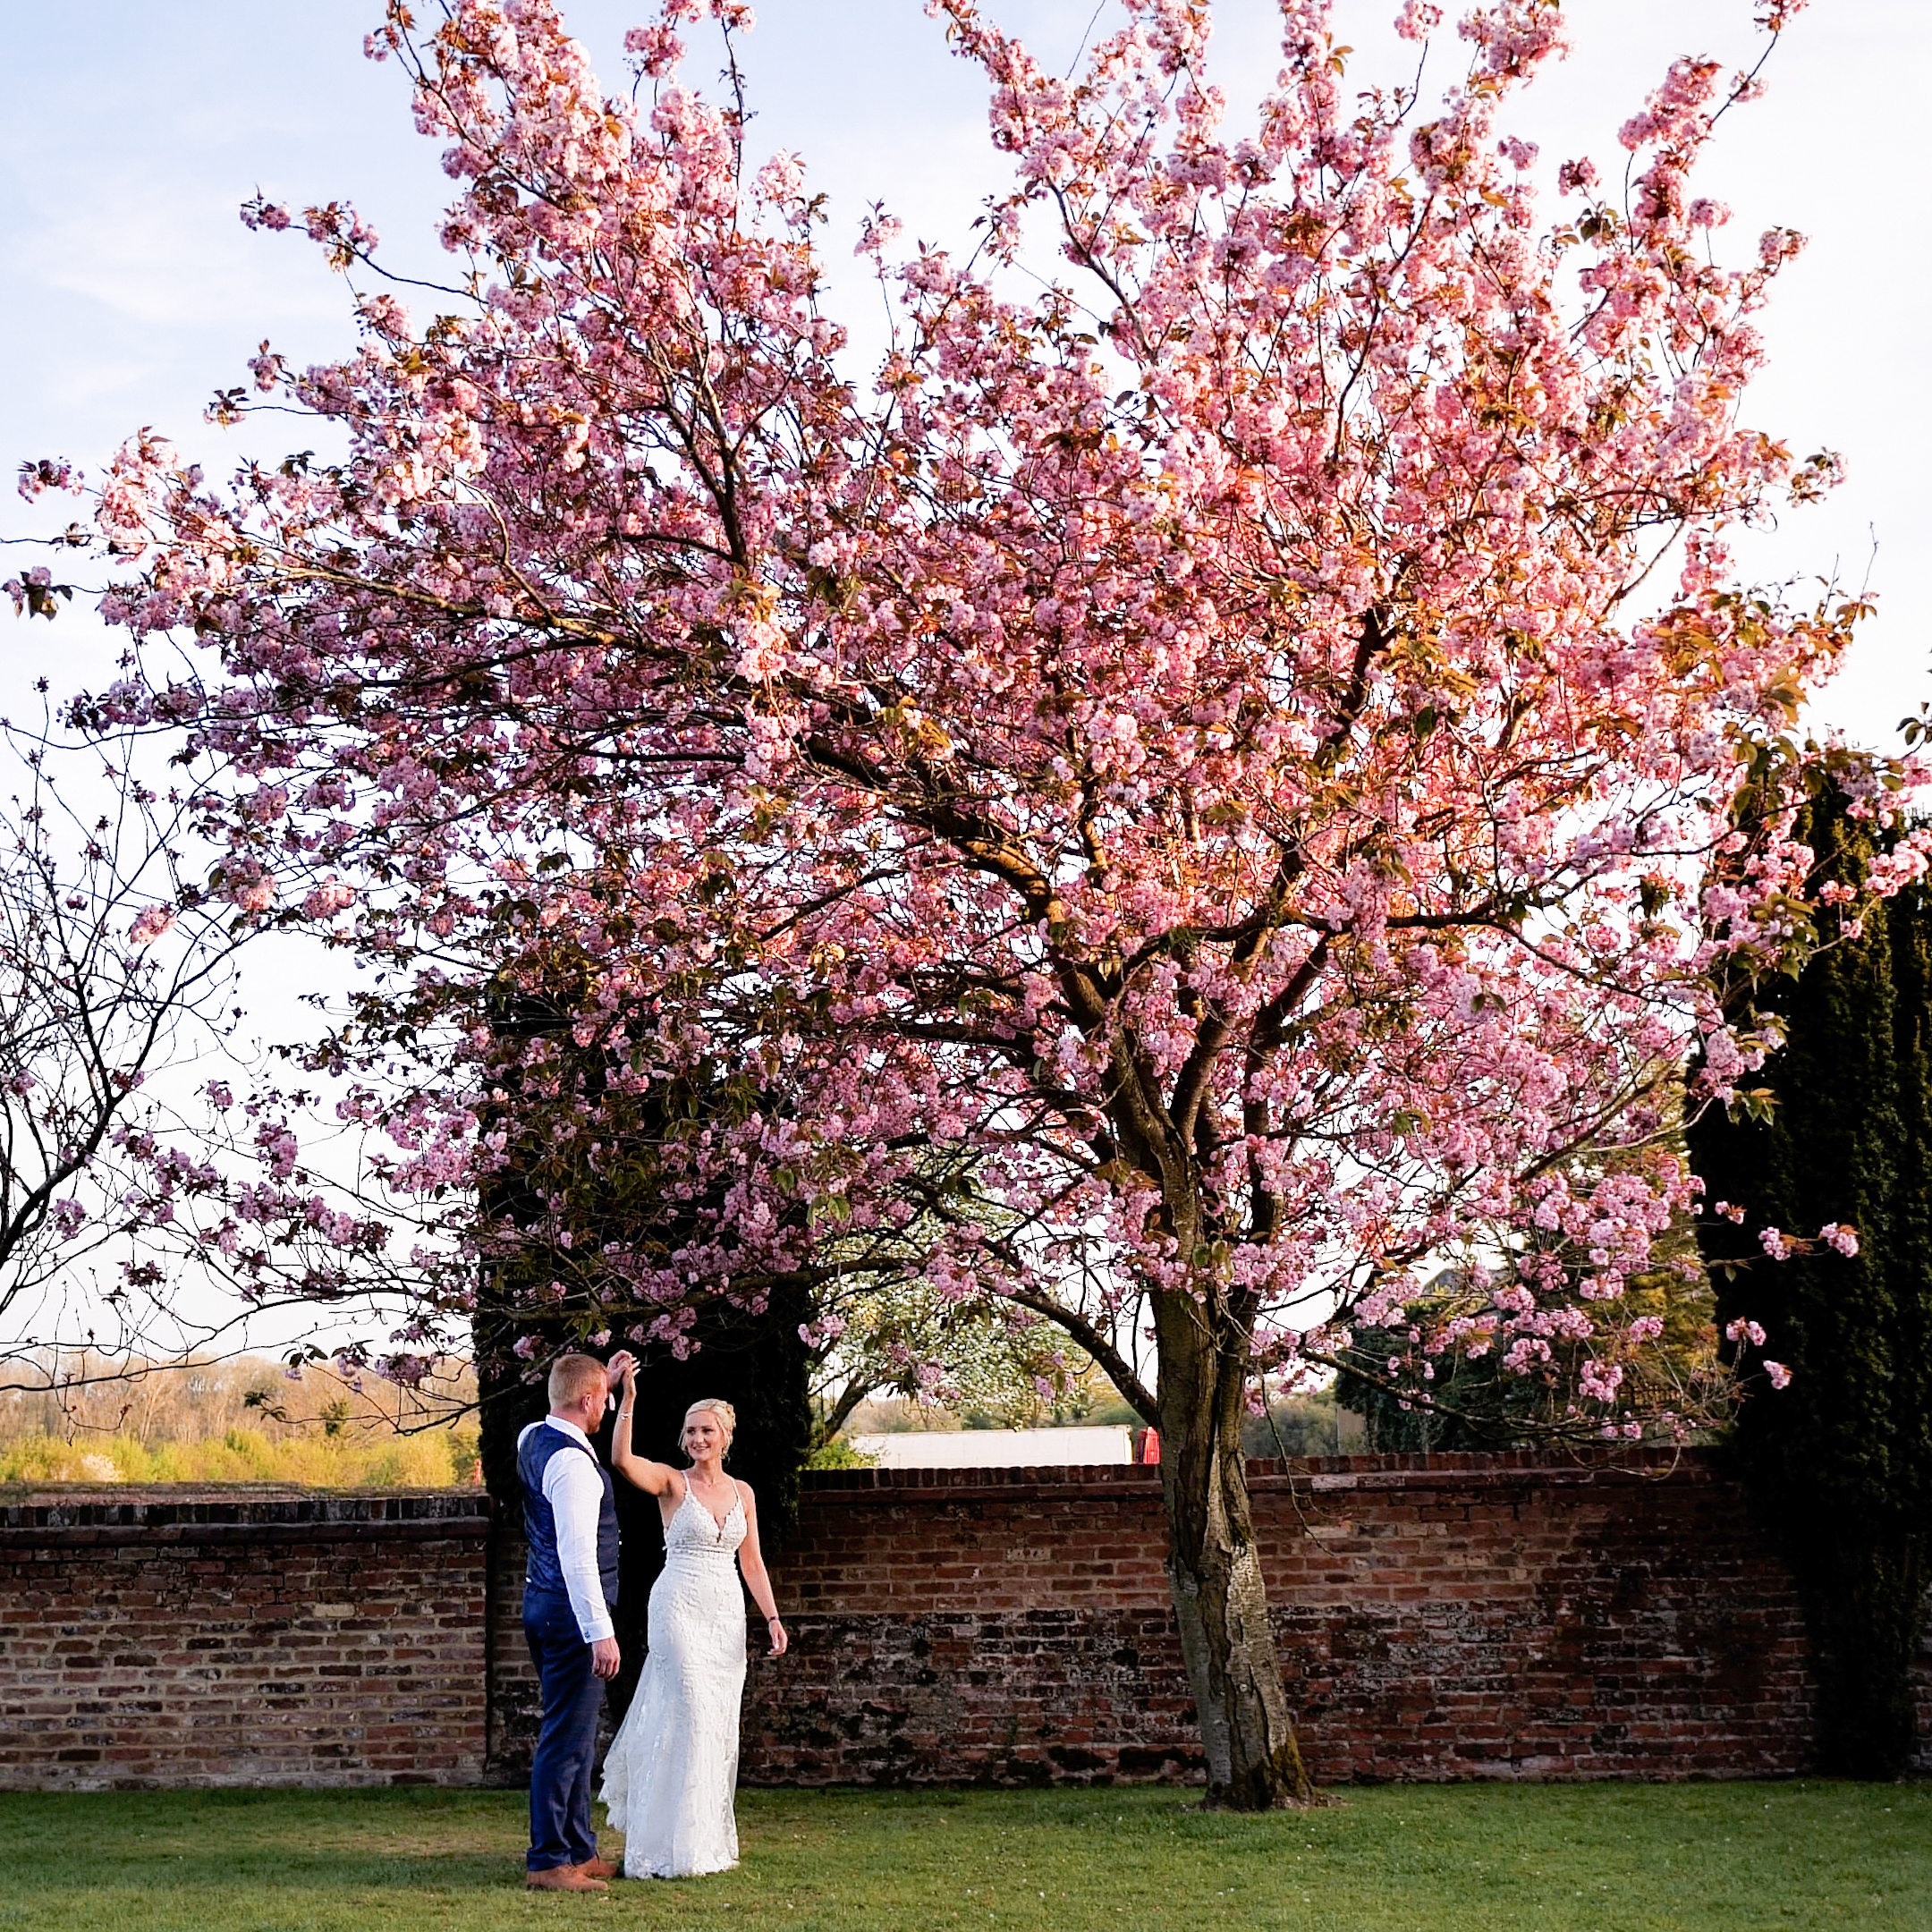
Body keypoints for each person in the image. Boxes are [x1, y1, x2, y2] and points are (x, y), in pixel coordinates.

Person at [599, 1371, 788, 1878]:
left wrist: (771, 1617)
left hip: (725, 1614)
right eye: (691, 1431)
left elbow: (752, 1562)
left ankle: (700, 1843)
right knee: (689, 1713)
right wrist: (629, 1400)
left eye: (707, 1430)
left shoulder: (743, 1492)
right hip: (677, 1607)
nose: (698, 1438)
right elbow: (622, 1461)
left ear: (726, 1436)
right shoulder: (671, 1482)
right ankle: (658, 1845)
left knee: (715, 1726)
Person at [516, 1349, 636, 1894]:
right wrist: (600, 1632)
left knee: (580, 1738)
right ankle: (548, 1861)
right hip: (569, 1614)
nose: (607, 1407)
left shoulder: (531, 1437)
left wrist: (599, 1384)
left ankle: (578, 1850)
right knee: (565, 1740)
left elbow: (575, 1406)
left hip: (541, 1603)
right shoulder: (573, 1467)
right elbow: (577, 1556)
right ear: (588, 1401)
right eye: (602, 1401)